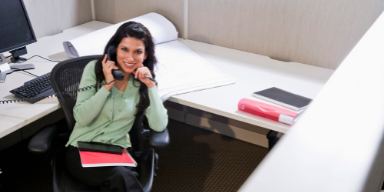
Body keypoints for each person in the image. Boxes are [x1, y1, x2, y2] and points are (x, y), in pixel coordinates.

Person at [64, 21, 168, 192]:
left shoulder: (143, 82)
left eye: (138, 52)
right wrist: (107, 85)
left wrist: (151, 87)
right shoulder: (94, 70)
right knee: (121, 178)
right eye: (124, 49)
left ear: (145, 55)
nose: (130, 58)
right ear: (114, 49)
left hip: (117, 152)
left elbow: (158, 125)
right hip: (81, 149)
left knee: (119, 179)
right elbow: (82, 118)